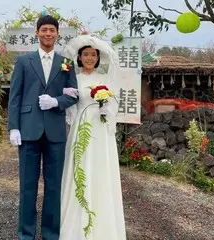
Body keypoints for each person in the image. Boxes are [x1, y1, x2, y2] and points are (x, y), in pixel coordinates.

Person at [7, 15, 78, 240]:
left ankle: (50, 234)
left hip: (56, 132)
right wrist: (13, 127)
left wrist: (57, 101)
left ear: (58, 34)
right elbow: (15, 96)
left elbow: (74, 94)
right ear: (37, 33)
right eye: (44, 30)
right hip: (28, 130)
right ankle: (26, 234)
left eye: (52, 30)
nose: (48, 34)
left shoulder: (66, 63)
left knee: (54, 187)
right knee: (27, 187)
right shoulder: (23, 61)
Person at [60, 34, 127, 239]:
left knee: (100, 168)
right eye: (86, 54)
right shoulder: (74, 79)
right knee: (79, 167)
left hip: (100, 126)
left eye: (93, 55)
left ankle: (102, 220)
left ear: (98, 58)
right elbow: (69, 103)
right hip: (81, 125)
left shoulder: (105, 79)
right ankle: (75, 220)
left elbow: (113, 102)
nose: (89, 58)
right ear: (79, 57)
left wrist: (106, 110)